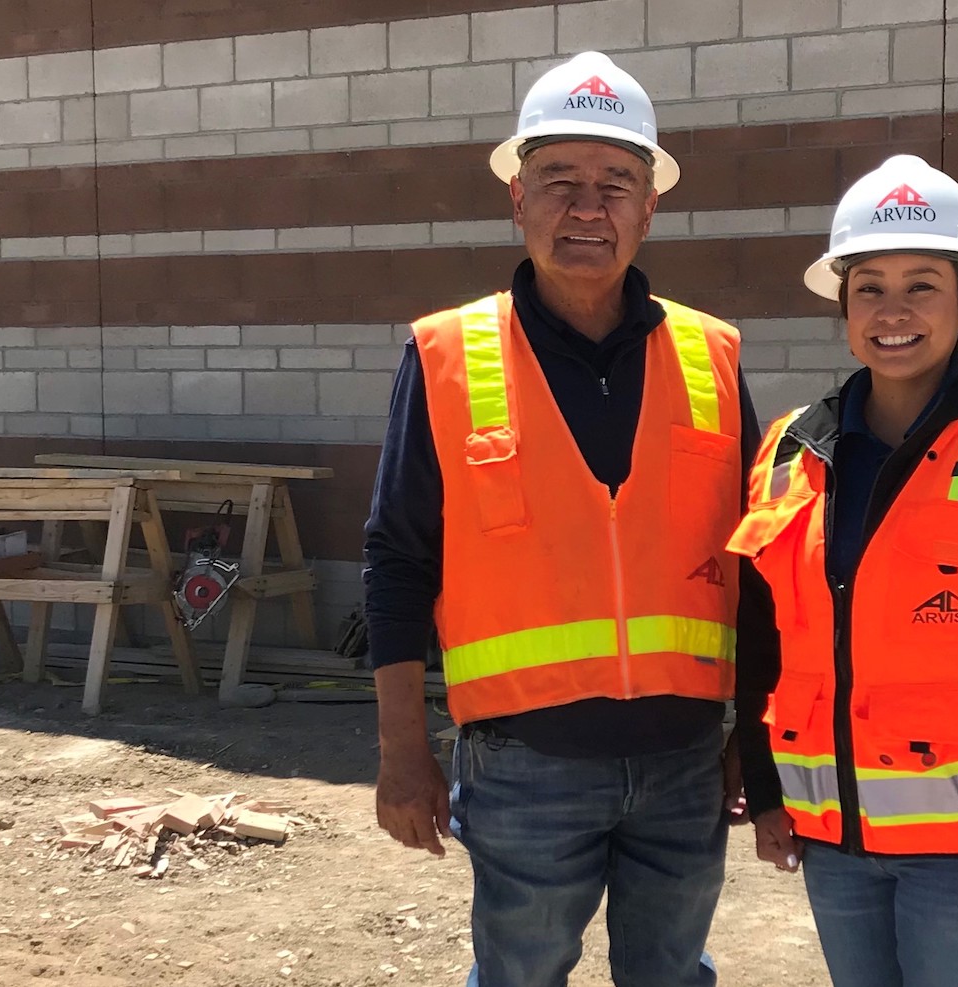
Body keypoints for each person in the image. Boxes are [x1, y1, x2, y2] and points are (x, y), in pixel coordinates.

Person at [362, 51, 765, 987]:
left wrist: (759, 728)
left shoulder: (712, 356)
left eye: (616, 183)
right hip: (522, 765)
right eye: (561, 182)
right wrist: (401, 750)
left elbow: (759, 559)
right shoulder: (448, 356)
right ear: (517, 199)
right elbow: (396, 557)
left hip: (683, 762)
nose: (589, 208)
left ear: (649, 206)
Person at [727, 155, 958, 987]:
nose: (893, 311)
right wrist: (764, 783)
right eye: (868, 286)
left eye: (922, 285)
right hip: (834, 839)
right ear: (842, 306)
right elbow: (761, 640)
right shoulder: (792, 448)